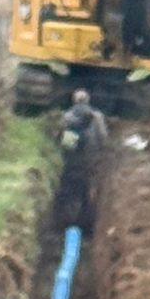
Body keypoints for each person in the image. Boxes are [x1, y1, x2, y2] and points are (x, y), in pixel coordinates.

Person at [55, 87, 110, 232]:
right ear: (88, 100)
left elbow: (60, 137)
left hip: (72, 159)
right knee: (88, 186)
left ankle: (67, 217)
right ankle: (87, 219)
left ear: (74, 100)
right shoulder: (97, 116)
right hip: (90, 158)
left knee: (70, 186)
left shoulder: (67, 116)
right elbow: (103, 137)